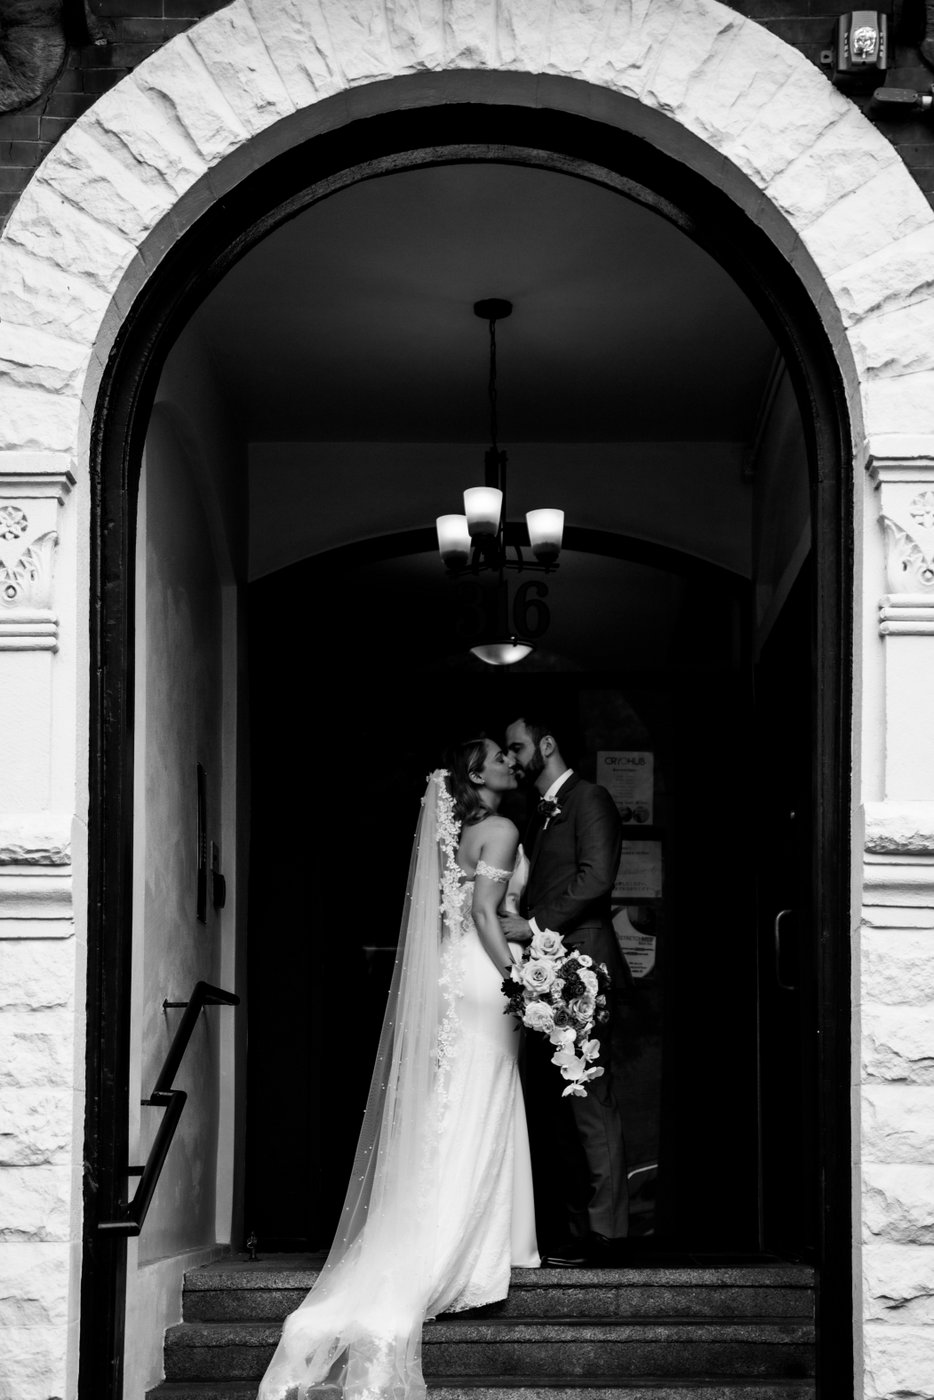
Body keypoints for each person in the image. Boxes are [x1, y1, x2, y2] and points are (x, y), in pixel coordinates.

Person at [257, 736, 539, 1400]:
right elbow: (481, 915)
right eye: (498, 756)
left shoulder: (465, 830)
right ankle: (465, 1253)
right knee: (480, 1098)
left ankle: (481, 1238)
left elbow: (487, 914)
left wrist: (539, 936)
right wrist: (519, 982)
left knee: (464, 1099)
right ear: (476, 772)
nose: (508, 763)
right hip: (483, 976)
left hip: (459, 974)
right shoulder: (499, 826)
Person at [501, 716, 629, 1265]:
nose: (511, 758)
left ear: (547, 745)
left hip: (582, 964)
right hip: (550, 967)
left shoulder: (589, 798)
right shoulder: (539, 815)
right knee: (561, 1103)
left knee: (588, 1097)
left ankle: (607, 1234)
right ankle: (576, 1228)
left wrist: (531, 927)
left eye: (517, 747)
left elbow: (596, 878)